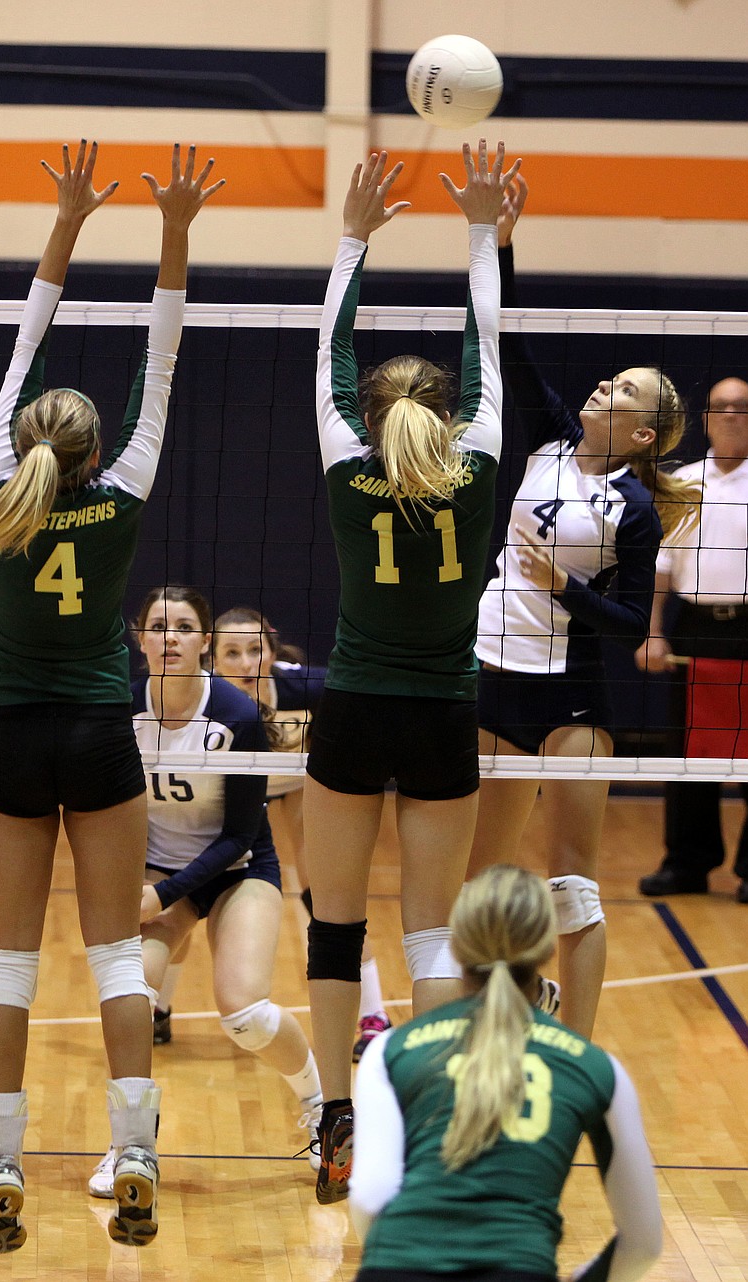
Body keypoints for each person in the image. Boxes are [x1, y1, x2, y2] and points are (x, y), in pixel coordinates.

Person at [0, 140, 224, 1252]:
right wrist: (173, 229)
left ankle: (0, 1165)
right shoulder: (119, 498)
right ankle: (138, 1152)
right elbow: (159, 359)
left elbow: (23, 347)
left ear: (26, 448)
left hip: (13, 745)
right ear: (98, 450)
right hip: (99, 745)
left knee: (8, 962)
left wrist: (62, 223)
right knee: (117, 953)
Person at [304, 141, 520, 1204]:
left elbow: (325, 353)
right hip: (443, 714)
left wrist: (353, 234)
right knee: (433, 927)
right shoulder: (475, 465)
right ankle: (430, 1122)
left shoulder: (347, 464)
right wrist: (483, 229)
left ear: (374, 409)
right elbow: (489, 342)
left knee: (333, 925)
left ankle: (334, 1122)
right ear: (443, 410)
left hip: (351, 713)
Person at [467, 175, 700, 1040]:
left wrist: (566, 588)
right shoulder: (549, 444)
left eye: (623, 391)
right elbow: (509, 336)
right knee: (483, 884)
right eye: (608, 380)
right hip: (493, 677)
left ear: (642, 434)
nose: (605, 387)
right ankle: (526, 1001)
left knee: (572, 883)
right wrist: (499, 241)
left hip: (569, 698)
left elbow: (632, 623)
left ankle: (580, 1057)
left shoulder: (633, 511)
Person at [87, 586, 324, 1197]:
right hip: (157, 869)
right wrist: (138, 885)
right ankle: (128, 1144)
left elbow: (242, 834)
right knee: (129, 993)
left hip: (238, 868)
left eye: (184, 627)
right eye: (158, 626)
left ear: (204, 644)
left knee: (244, 1012)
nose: (170, 638)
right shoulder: (119, 708)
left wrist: (165, 898)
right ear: (140, 640)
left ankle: (325, 1111)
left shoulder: (236, 718)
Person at [349, 865, 662, 1282]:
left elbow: (371, 1199)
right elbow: (643, 1244)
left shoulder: (391, 1050)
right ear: (546, 950)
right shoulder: (597, 1069)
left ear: (457, 946)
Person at [212, 606, 392, 1059]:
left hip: (295, 787)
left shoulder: (305, 687)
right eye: (231, 652)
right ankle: (162, 1007)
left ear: (272, 651)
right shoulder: (202, 700)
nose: (245, 663)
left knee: (326, 896)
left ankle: (374, 1015)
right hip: (232, 793)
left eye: (255, 650)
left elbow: (361, 703)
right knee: (198, 890)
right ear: (211, 660)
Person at [636, 378, 748, 900]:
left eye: (740, 408)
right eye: (720, 407)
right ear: (705, 418)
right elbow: (661, 568)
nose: (729, 415)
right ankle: (687, 863)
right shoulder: (682, 481)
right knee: (690, 754)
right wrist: (653, 633)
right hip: (694, 628)